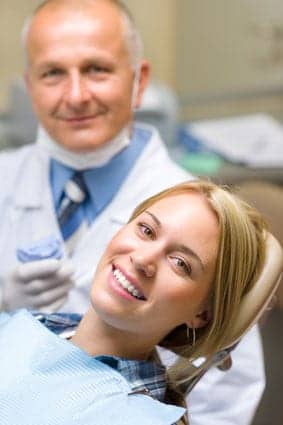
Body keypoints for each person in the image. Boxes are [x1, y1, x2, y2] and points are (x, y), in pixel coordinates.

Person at [0, 1, 265, 424]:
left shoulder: (204, 222)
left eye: (96, 69)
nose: (75, 95)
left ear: (139, 81)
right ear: (30, 88)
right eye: (52, 73)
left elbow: (223, 402)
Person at [0, 180, 268, 425]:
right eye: (147, 230)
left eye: (180, 263)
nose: (142, 260)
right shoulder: (32, 326)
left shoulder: (136, 417)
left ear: (202, 314)